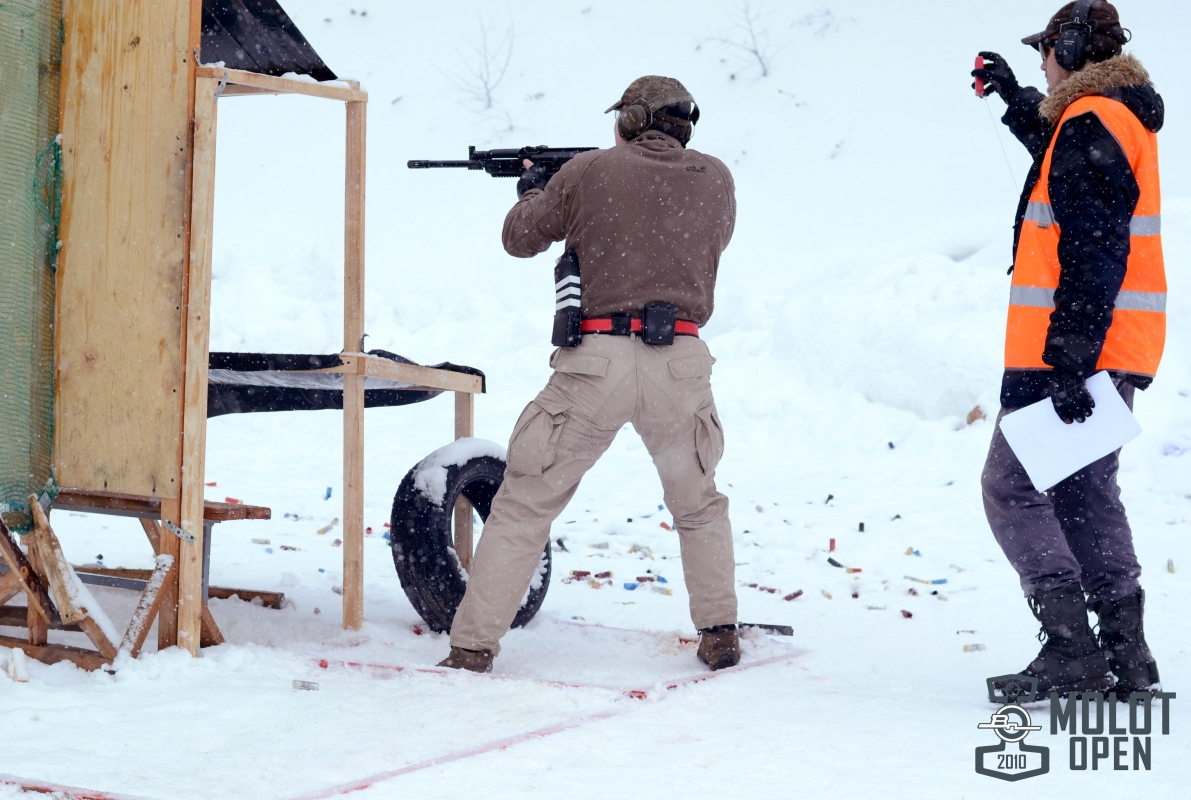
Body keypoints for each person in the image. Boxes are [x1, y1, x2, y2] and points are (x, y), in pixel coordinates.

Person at [437, 76, 740, 674]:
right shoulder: (718, 178)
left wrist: (535, 188)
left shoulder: (588, 171)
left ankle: (471, 647)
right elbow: (692, 236)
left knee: (524, 505)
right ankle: (720, 634)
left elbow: (519, 237)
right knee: (699, 506)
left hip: (596, 362)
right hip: (681, 363)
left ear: (631, 119)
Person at [973, 0, 1165, 698]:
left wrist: (1068, 358)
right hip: (1115, 344)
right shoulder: (1108, 118)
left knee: (1010, 487)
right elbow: (1067, 167)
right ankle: (1126, 654)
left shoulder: (1090, 122)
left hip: (1072, 349)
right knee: (1084, 492)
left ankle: (1072, 649)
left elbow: (1093, 246)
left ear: (1076, 48)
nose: (1042, 64)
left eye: (1045, 53)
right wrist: (1014, 98)